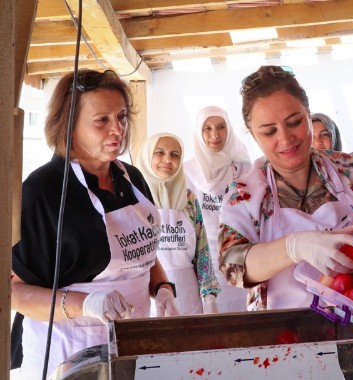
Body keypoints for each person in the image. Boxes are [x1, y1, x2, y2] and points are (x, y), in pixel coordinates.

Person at [11, 69, 179, 379]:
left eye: (122, 117)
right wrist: (86, 304)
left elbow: (141, 255)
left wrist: (163, 288)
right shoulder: (42, 191)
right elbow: (16, 292)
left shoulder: (132, 178)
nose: (117, 129)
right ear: (70, 126)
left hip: (131, 340)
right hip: (69, 349)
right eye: (102, 120)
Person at [218, 65, 353, 311]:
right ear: (253, 135)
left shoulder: (352, 170)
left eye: (295, 122)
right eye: (269, 131)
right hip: (288, 333)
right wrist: (295, 246)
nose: (286, 138)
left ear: (308, 113)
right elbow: (232, 268)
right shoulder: (244, 194)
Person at [136, 133, 221, 315]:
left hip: (189, 297)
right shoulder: (134, 199)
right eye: (160, 152)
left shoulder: (188, 199)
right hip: (150, 299)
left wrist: (209, 297)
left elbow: (202, 251)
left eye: (175, 155)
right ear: (147, 155)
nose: (167, 159)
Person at [183, 106, 252, 313]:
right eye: (207, 129)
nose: (215, 135)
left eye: (221, 127)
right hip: (207, 255)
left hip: (242, 252)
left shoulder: (243, 166)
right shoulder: (188, 171)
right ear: (198, 132)